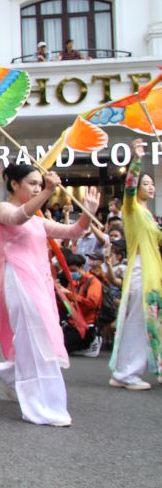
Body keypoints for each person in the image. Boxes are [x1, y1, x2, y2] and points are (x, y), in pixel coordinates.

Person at [0, 164, 99, 427]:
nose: (37, 188)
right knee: (33, 340)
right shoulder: (2, 210)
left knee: (42, 339)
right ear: (14, 184)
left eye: (40, 184)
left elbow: (73, 231)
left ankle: (16, 376)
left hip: (39, 284)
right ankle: (40, 405)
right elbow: (18, 218)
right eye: (32, 183)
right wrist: (49, 191)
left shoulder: (38, 219)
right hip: (18, 281)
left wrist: (88, 212)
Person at [109, 139, 161, 390]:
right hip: (140, 269)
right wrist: (137, 159)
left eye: (152, 184)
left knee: (152, 321)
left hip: (154, 271)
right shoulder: (131, 209)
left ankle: (147, 368)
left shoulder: (150, 215)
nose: (150, 187)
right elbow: (129, 187)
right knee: (138, 323)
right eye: (145, 183)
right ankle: (126, 373)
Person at [60, 253, 102, 357]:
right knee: (53, 345)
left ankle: (94, 339)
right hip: (72, 323)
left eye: (73, 270)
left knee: (61, 349)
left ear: (82, 267)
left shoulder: (93, 282)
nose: (71, 273)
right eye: (68, 270)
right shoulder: (73, 282)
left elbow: (92, 302)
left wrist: (68, 294)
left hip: (87, 326)